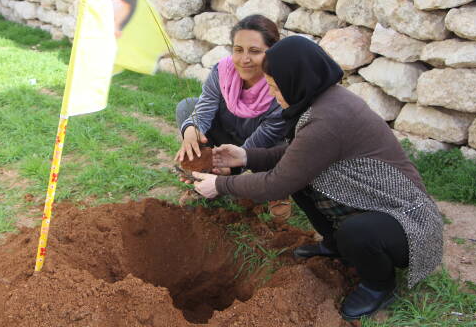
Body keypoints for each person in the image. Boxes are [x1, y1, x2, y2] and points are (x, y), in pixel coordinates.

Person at [184, 36, 443, 320]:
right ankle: (337, 245)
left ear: (296, 80)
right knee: (301, 181)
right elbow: (297, 156)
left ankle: (378, 285)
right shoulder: (324, 100)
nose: (274, 95)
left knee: (356, 232)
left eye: (275, 87)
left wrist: (220, 185)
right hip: (375, 202)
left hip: (408, 221)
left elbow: (276, 184)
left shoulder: (326, 119)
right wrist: (245, 156)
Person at [174, 14, 291, 221]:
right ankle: (204, 176)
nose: (244, 59)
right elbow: (204, 107)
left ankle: (276, 189)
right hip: (227, 134)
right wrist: (191, 130)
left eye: (254, 51)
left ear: (271, 52)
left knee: (285, 142)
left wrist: (233, 167)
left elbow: (264, 137)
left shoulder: (280, 85)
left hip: (261, 146)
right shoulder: (222, 71)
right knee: (187, 108)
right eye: (238, 50)